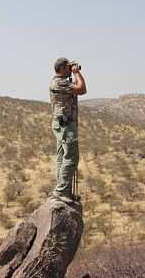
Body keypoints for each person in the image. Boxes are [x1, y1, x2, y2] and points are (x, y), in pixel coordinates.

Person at [49, 57, 87, 203]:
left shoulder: (61, 82)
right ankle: (61, 191)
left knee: (61, 156)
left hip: (61, 124)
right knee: (71, 157)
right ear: (63, 68)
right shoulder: (59, 82)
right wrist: (77, 74)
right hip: (65, 125)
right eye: (69, 67)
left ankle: (62, 188)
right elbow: (82, 90)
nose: (71, 69)